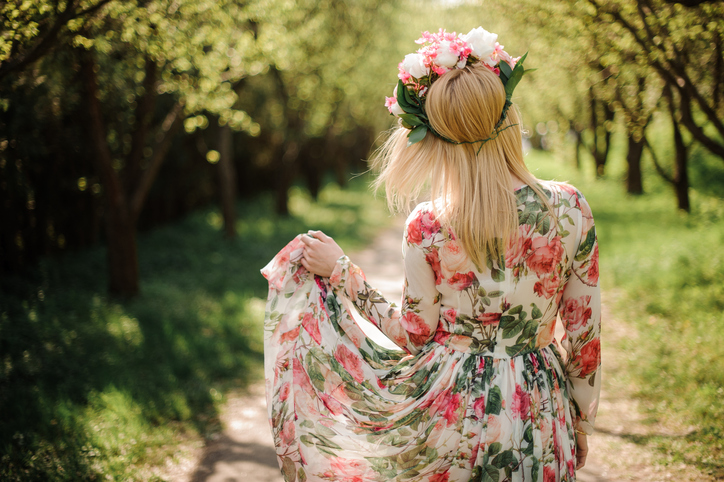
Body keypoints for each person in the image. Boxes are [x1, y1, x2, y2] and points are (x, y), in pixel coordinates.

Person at [262, 27, 600, 482]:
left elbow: (415, 335)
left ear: (437, 135)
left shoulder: (429, 225)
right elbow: (585, 338)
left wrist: (343, 274)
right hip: (539, 407)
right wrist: (580, 421)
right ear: (510, 117)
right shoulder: (571, 208)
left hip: (450, 413)